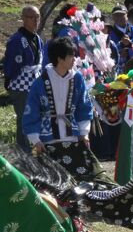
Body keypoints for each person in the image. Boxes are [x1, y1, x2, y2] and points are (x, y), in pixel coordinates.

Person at [23, 36, 113, 188]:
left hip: (73, 137)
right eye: (71, 55)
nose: (74, 59)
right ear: (59, 58)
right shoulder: (40, 82)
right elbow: (32, 112)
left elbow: (84, 106)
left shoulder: (77, 78)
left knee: (84, 178)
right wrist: (35, 139)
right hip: (48, 140)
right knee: (52, 183)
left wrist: (84, 132)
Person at [3, 6, 46, 149]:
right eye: (31, 17)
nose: (35, 20)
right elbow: (11, 63)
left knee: (36, 116)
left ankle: (35, 147)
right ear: (23, 18)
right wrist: (8, 78)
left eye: (37, 17)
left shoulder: (37, 38)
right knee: (24, 117)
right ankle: (24, 150)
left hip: (35, 83)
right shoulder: (16, 40)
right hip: (20, 84)